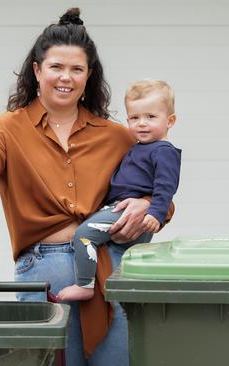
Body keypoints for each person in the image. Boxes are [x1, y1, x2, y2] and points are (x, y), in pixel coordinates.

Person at [0, 8, 173, 366]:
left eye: (77, 69)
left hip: (110, 270)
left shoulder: (117, 136)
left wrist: (147, 205)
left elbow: (162, 194)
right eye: (56, 67)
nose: (65, 77)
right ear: (37, 71)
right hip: (44, 273)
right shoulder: (5, 129)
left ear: (88, 76)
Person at [57, 79, 181, 302]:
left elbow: (166, 185)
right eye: (135, 118)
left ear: (170, 120)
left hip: (127, 211)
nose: (142, 123)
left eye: (151, 117)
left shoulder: (163, 150)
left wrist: (156, 213)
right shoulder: (139, 147)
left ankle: (84, 284)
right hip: (120, 209)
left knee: (83, 236)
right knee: (121, 260)